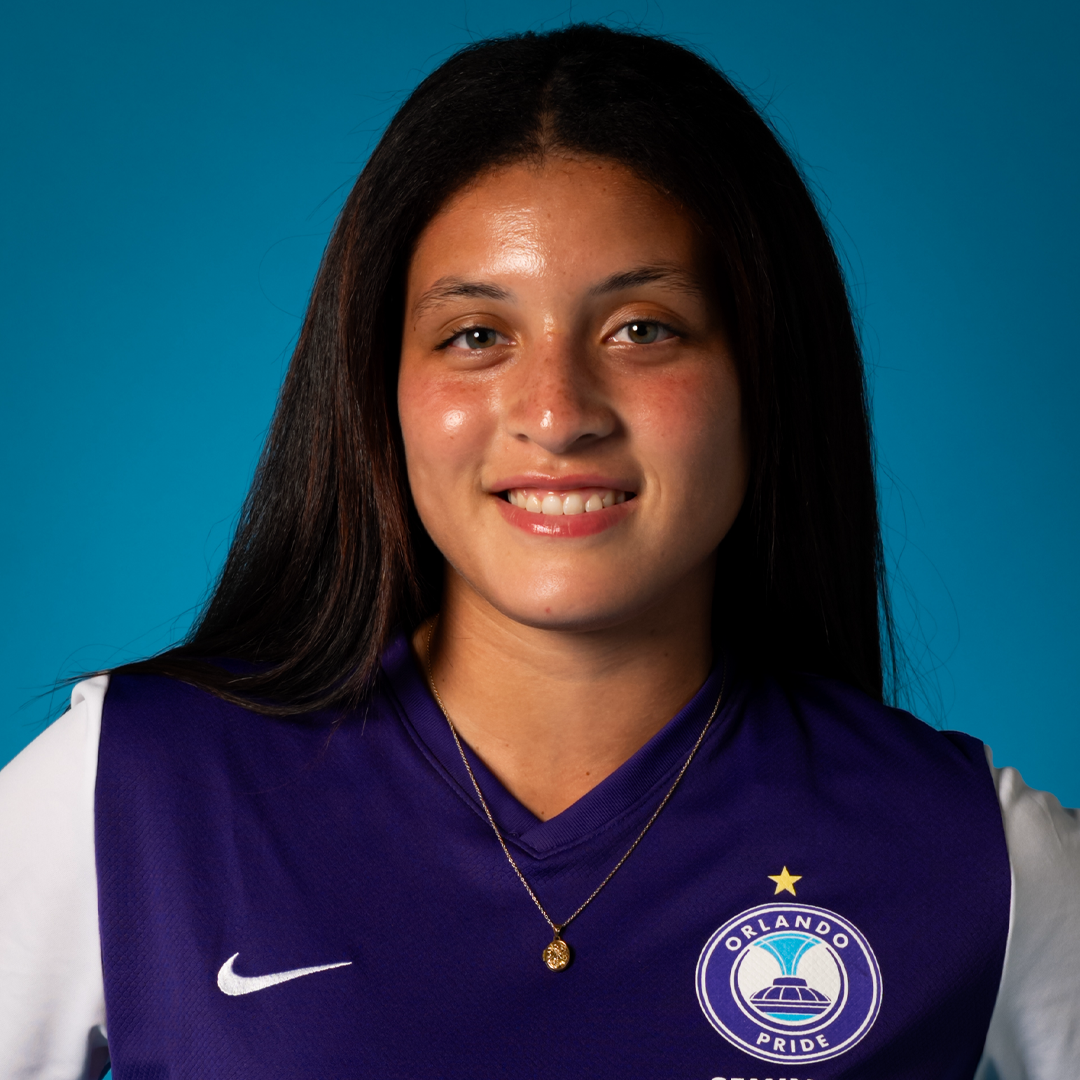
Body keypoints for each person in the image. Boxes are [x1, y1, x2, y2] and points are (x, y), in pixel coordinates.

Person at [0, 23, 1076, 1080]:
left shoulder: (975, 852)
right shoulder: (133, 790)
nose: (557, 413)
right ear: (384, 392)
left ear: (764, 377)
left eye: (642, 328)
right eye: (477, 336)